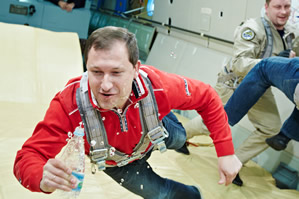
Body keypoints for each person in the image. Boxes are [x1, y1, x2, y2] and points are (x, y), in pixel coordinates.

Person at [13, 26, 241, 199]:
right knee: (161, 195)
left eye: (116, 72)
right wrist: (41, 177)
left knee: (179, 137)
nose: (105, 85)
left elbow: (208, 97)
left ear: (136, 69)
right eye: (96, 72)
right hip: (119, 163)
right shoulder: (69, 105)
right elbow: (27, 158)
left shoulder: (159, 85)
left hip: (154, 131)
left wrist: (226, 152)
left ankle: (172, 128)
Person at [182, 0, 298, 186]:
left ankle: (234, 163)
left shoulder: (292, 33)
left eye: (287, 6)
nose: (283, 11)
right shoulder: (253, 28)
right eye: (278, 6)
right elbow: (239, 63)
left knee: (272, 128)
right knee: (214, 123)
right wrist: (275, 63)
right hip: (234, 84)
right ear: (266, 7)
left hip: (260, 88)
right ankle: (179, 136)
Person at [225, 56, 299, 151]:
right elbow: (238, 62)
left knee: (270, 129)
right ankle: (284, 136)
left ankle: (234, 162)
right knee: (270, 129)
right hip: (234, 80)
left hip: (259, 80)